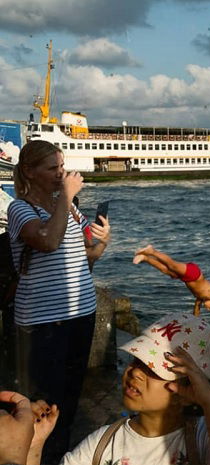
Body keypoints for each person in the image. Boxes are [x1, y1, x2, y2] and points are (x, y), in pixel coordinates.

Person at [27, 312, 210, 465]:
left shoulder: (203, 440)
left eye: (153, 370)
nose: (135, 372)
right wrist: (34, 444)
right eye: (136, 360)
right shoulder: (103, 443)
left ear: (190, 392)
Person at [7, 140, 111, 463]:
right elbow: (48, 241)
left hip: (81, 314)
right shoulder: (19, 209)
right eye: (52, 168)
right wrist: (66, 196)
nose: (60, 174)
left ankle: (58, 456)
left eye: (61, 167)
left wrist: (102, 242)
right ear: (29, 171)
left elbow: (87, 258)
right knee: (41, 404)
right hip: (41, 322)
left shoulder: (70, 209)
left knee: (68, 399)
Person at [133, 245, 210, 329]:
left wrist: (195, 322)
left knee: (166, 271)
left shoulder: (201, 298)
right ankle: (152, 251)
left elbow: (196, 312)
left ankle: (145, 258)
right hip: (193, 274)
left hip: (186, 278)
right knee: (172, 265)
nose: (208, 309)